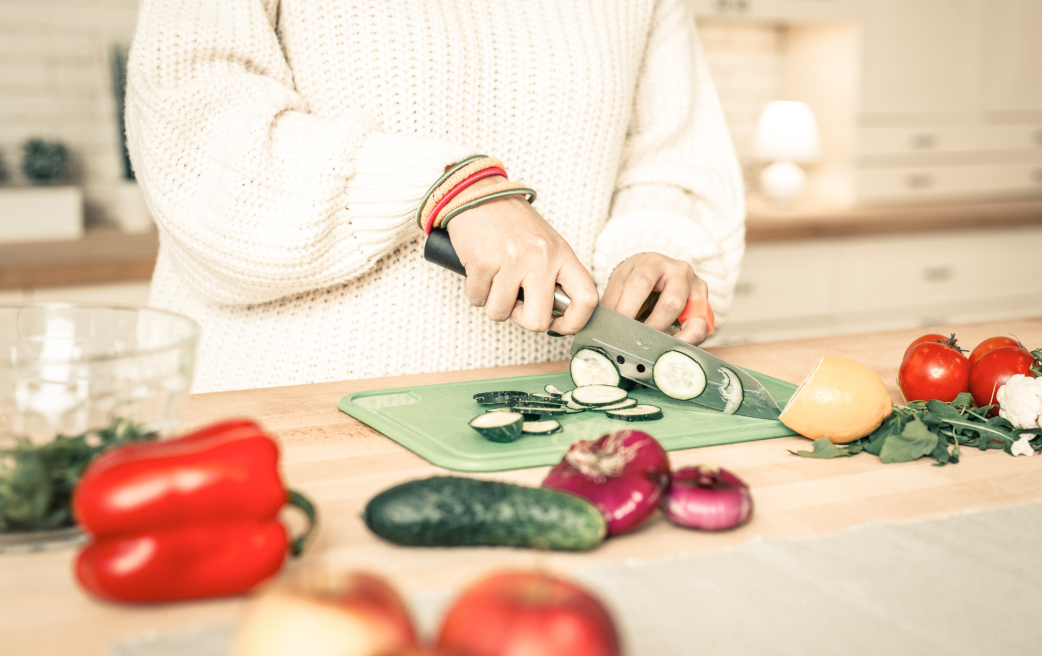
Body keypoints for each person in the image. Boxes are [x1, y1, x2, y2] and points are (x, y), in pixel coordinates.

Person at [126, 0, 746, 394]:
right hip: (285, 421)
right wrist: (449, 186)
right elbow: (193, 134)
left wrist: (653, 252)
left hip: (556, 415)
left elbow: (669, 163)